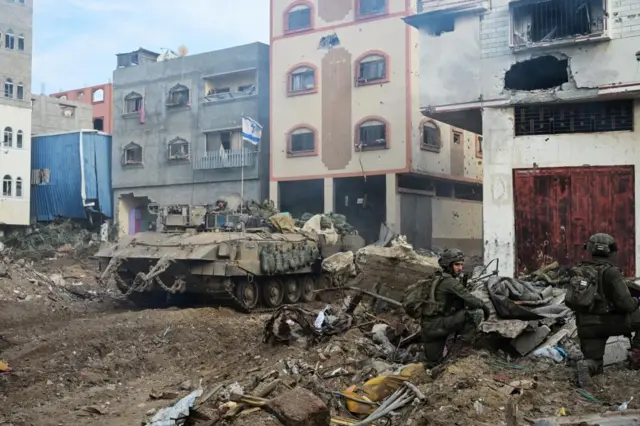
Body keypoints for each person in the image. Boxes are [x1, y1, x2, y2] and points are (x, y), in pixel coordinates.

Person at [572, 233, 640, 387]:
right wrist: (637, 300)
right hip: (609, 322)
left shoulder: (578, 271)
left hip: (585, 326)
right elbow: (627, 305)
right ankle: (636, 358)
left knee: (595, 363)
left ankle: (587, 365)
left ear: (589, 249)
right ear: (610, 251)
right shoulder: (612, 272)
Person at [412, 248, 491, 368]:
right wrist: (485, 308)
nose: (460, 268)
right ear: (448, 265)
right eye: (457, 264)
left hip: (429, 327)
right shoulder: (449, 282)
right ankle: (461, 349)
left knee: (432, 365)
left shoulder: (436, 278)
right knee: (476, 313)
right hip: (439, 325)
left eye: (461, 265)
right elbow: (471, 300)